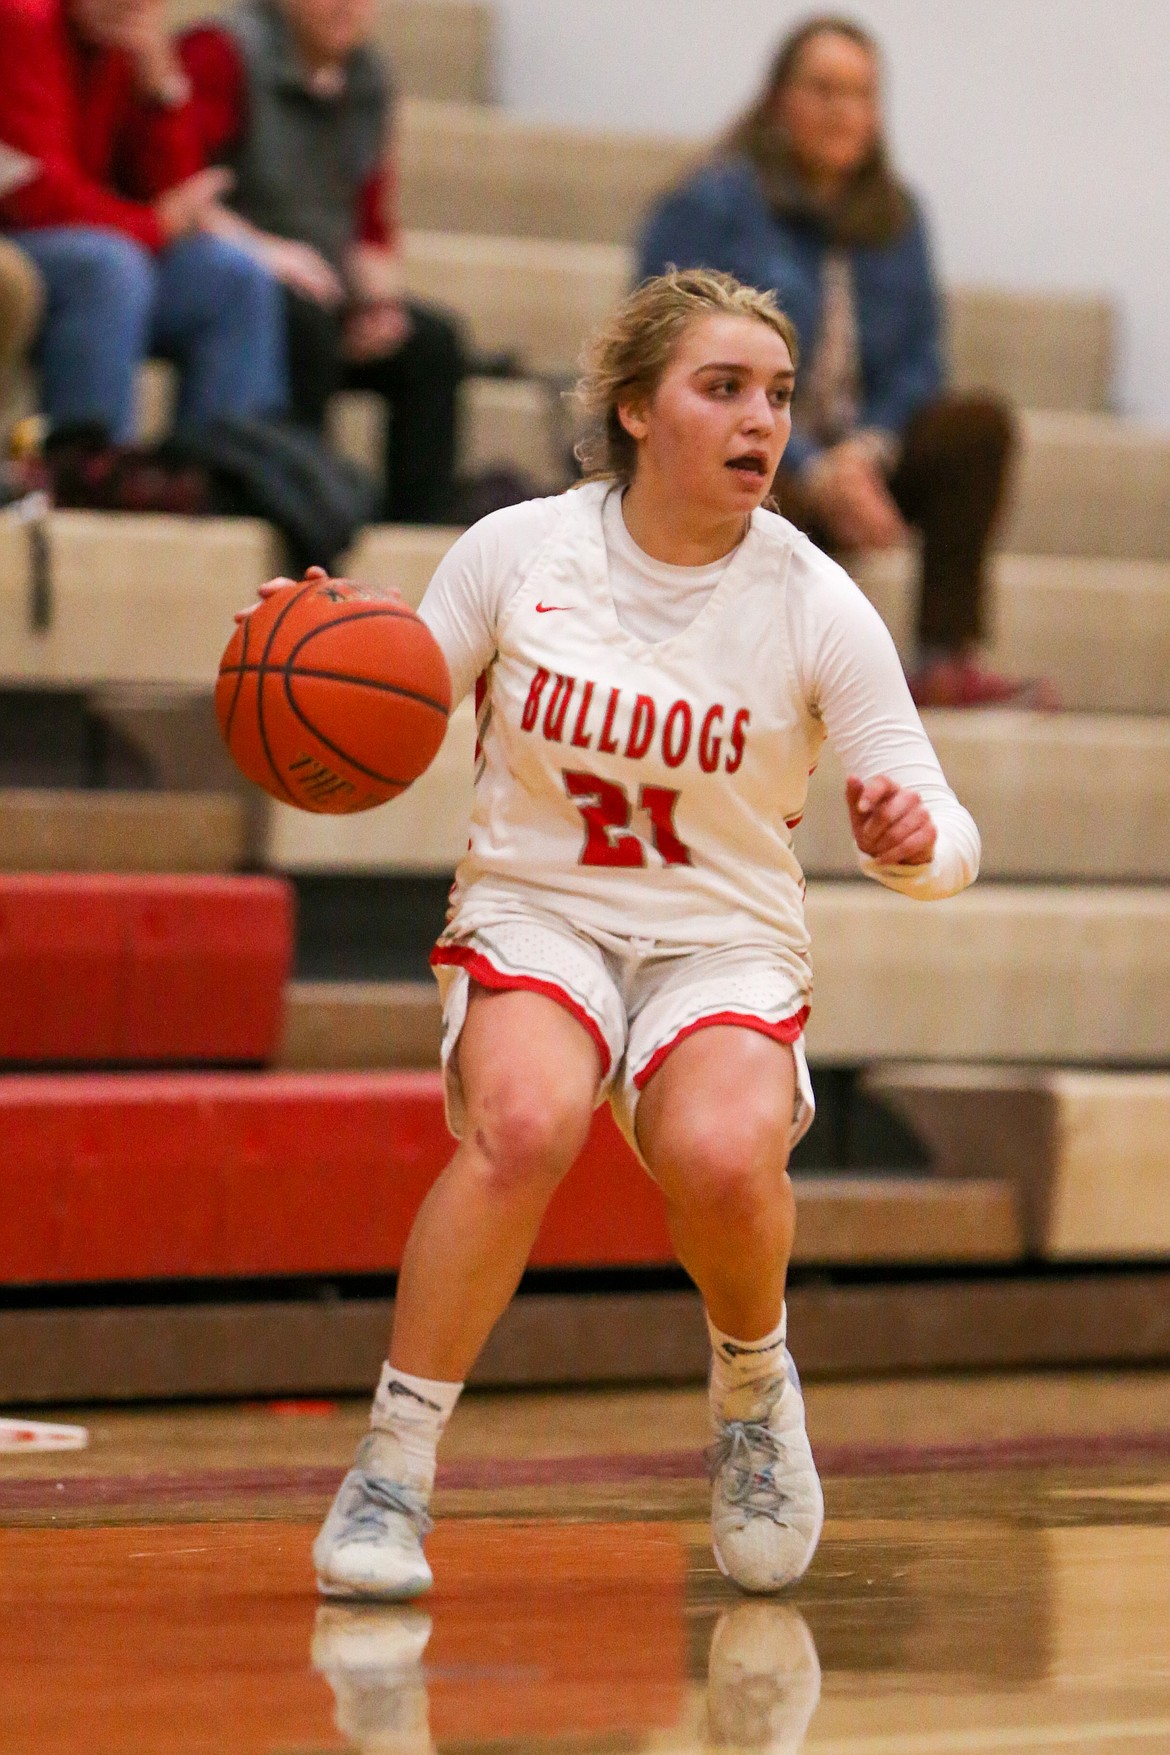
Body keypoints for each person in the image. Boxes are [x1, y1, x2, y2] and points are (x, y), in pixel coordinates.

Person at [249, 268, 980, 1600]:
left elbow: (940, 821)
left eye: (773, 394)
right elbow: (391, 708)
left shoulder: (812, 599)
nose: (760, 418)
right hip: (541, 908)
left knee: (716, 1154)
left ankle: (753, 1385)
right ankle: (392, 1471)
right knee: (525, 1122)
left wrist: (908, 839)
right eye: (722, 388)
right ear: (639, 409)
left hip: (721, 938)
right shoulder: (519, 551)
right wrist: (324, 661)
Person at [639, 17, 1038, 709]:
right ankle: (736, 666)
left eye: (860, 93)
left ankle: (945, 655)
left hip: (859, 461)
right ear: (778, 100)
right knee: (738, 460)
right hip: (762, 455)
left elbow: (920, 357)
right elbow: (672, 360)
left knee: (978, 427)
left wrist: (866, 454)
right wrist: (812, 468)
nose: (842, 110)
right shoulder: (712, 204)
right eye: (823, 90)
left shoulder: (898, 214)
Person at [180, 0, 466, 524]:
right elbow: (181, 191)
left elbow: (368, 221)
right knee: (303, 322)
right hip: (234, 262)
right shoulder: (221, 51)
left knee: (432, 344)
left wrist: (378, 302)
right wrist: (268, 254)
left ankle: (415, 530)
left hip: (323, 278)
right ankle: (307, 512)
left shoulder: (369, 77)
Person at [0, 0, 287, 442]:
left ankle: (220, 480)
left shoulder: (124, 41)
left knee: (232, 277)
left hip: (83, 243)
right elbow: (31, 193)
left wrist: (163, 91)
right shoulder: (20, 20)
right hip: (19, 239)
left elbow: (175, 190)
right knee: (107, 269)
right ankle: (89, 476)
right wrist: (155, 227)